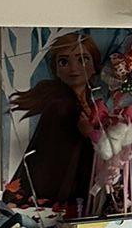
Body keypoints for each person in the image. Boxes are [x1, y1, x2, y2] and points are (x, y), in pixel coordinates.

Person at [7, 31, 102, 209]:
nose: (73, 68)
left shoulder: (90, 103)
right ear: (56, 70)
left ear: (94, 67)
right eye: (64, 62)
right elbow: (57, 159)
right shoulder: (61, 106)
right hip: (60, 192)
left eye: (82, 60)